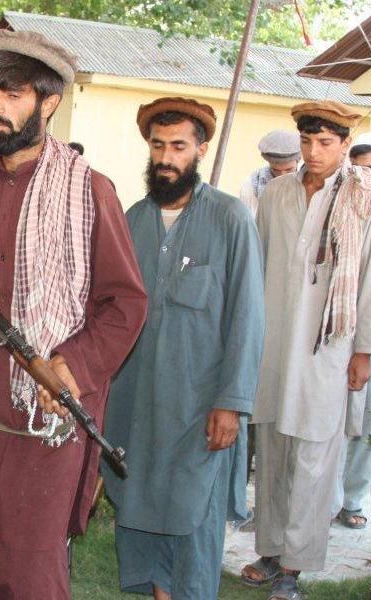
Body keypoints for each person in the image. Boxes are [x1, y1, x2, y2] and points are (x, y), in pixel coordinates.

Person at [0, 29, 147, 599]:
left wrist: (70, 365)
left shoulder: (89, 190)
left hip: (47, 411)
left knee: (30, 573)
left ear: (48, 104)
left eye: (13, 95)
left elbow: (125, 303)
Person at [102, 97, 265, 600]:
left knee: (194, 519)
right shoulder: (131, 221)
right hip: (137, 406)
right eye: (158, 146)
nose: (166, 158)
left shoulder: (231, 218)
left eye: (178, 147)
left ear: (200, 150)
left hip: (201, 410)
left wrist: (231, 404)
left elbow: (248, 318)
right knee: (141, 510)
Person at [243, 101, 371, 600]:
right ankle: (270, 550)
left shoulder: (366, 199)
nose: (314, 152)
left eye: (325, 142)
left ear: (345, 144)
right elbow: (257, 264)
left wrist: (364, 351)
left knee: (315, 457)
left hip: (330, 348)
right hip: (275, 343)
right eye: (307, 141)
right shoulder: (277, 193)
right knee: (272, 449)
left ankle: (293, 569)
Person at [332, 131, 371, 530]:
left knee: (370, 424)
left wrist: (366, 348)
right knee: (333, 422)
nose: (369, 178)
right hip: (338, 332)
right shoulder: (340, 207)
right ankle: (327, 498)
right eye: (363, 169)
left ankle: (351, 499)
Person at [238, 130, 301, 215]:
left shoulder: (309, 182)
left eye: (289, 169)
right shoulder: (250, 187)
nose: (282, 175)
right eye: (276, 170)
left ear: (298, 161)